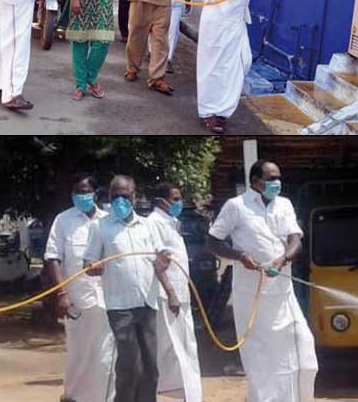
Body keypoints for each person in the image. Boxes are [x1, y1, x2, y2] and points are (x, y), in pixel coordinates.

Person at [207, 160, 318, 402]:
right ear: (256, 182)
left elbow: (295, 241)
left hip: (283, 295)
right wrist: (240, 256)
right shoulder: (236, 206)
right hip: (253, 299)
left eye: (278, 178)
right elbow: (213, 241)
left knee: (305, 356)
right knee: (264, 367)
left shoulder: (284, 204)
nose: (277, 183)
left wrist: (282, 259)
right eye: (271, 179)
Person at [191, 0, 289, 134]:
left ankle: (222, 111)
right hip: (217, 21)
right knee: (213, 68)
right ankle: (208, 113)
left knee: (240, 63)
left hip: (236, 21)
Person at [84, 175, 179, 402]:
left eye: (125, 196)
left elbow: (160, 262)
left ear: (134, 197)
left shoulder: (147, 226)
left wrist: (171, 291)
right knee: (129, 367)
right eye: (115, 196)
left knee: (150, 368)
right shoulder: (100, 227)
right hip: (119, 307)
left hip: (147, 304)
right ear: (108, 197)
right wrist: (93, 268)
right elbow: (88, 265)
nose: (120, 200)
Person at [44, 174, 116, 402]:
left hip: (108, 299)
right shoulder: (63, 220)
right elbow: (52, 257)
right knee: (79, 353)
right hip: (76, 302)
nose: (80, 196)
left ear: (95, 193)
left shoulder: (108, 220)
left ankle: (105, 398)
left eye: (85, 191)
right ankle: (73, 397)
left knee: (106, 355)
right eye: (76, 192)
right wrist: (62, 294)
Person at [147, 183, 202, 402]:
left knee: (183, 343)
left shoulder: (171, 223)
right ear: (162, 200)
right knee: (180, 345)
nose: (179, 203)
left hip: (181, 292)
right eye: (176, 198)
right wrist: (170, 293)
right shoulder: (154, 223)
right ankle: (190, 395)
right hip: (168, 294)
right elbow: (158, 262)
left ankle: (179, 391)